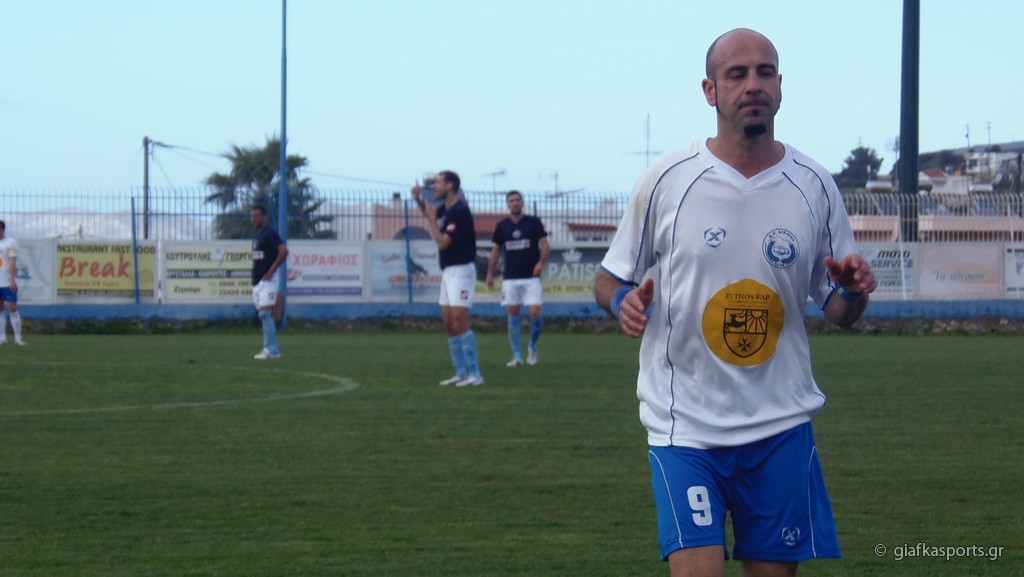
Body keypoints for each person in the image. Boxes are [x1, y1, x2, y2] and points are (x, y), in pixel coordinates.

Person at [593, 28, 877, 577]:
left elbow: (839, 312)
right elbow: (608, 277)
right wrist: (623, 299)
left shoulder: (814, 185)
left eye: (765, 72)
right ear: (710, 90)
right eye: (737, 74)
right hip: (685, 427)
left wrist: (851, 290)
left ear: (780, 86)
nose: (753, 85)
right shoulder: (667, 181)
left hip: (780, 427)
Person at [411, 170, 484, 387]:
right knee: (449, 324)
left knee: (459, 322)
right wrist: (418, 199)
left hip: (461, 271)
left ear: (450, 185)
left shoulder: (460, 211)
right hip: (448, 271)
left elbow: (442, 242)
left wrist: (432, 221)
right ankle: (460, 373)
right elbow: (431, 213)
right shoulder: (447, 208)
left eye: (438, 182)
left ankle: (475, 375)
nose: (435, 186)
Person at [486, 190, 549, 366]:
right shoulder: (502, 226)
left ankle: (533, 346)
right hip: (510, 278)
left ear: (522, 202)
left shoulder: (533, 222)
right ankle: (517, 356)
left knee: (535, 313)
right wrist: (490, 272)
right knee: (513, 314)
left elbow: (545, 245)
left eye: (517, 200)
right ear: (508, 204)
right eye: (511, 200)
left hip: (531, 277)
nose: (515, 203)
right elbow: (496, 250)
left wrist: (540, 263)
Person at [250, 205, 288, 360]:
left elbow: (284, 251)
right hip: (257, 283)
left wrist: (272, 269)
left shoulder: (270, 234)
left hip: (269, 280)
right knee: (263, 315)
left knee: (265, 314)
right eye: (252, 216)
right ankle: (274, 351)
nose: (254, 219)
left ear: (264, 217)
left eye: (257, 216)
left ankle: (269, 349)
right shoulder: (257, 236)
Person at [0, 220, 25, 346]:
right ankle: (2, 338)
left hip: (7, 281)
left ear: (2, 229)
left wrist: (12, 280)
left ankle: (17, 337)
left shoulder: (11, 243)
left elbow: (12, 261)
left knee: (12, 307)